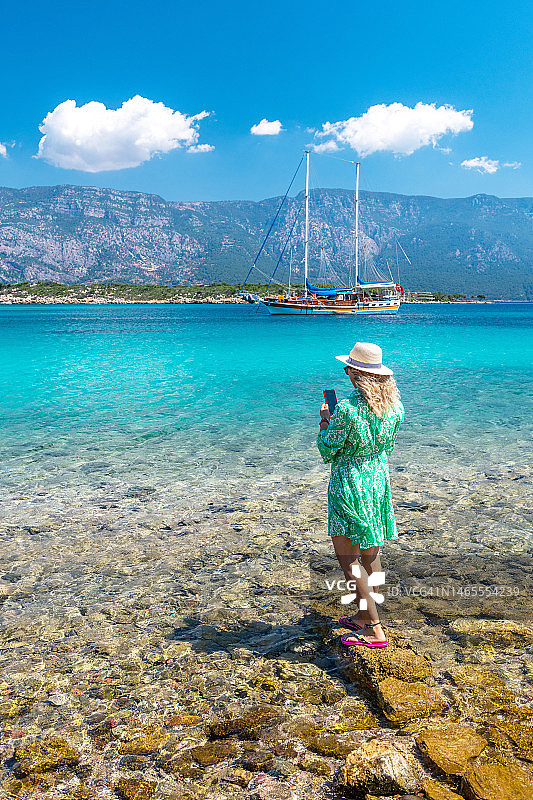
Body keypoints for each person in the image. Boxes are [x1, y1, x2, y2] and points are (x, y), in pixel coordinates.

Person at [317, 341, 404, 648]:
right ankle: (364, 615)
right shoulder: (395, 407)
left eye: (347, 369)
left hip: (350, 483)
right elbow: (387, 446)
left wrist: (325, 422)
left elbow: (328, 450)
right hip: (378, 480)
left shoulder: (347, 410)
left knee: (347, 557)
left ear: (355, 374)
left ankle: (374, 629)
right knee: (370, 553)